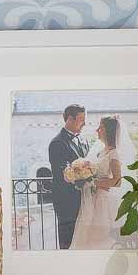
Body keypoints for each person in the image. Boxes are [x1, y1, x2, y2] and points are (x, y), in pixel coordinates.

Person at [71, 115, 124, 250]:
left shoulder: (113, 154)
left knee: (99, 239)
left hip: (103, 201)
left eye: (100, 127)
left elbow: (117, 181)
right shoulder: (102, 152)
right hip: (93, 199)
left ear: (108, 130)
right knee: (87, 238)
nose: (97, 130)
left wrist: (93, 182)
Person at [43, 104, 88, 250]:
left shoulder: (83, 140)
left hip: (84, 198)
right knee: (67, 239)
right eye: (81, 119)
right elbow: (64, 173)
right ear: (70, 119)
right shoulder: (57, 143)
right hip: (65, 200)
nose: (84, 123)